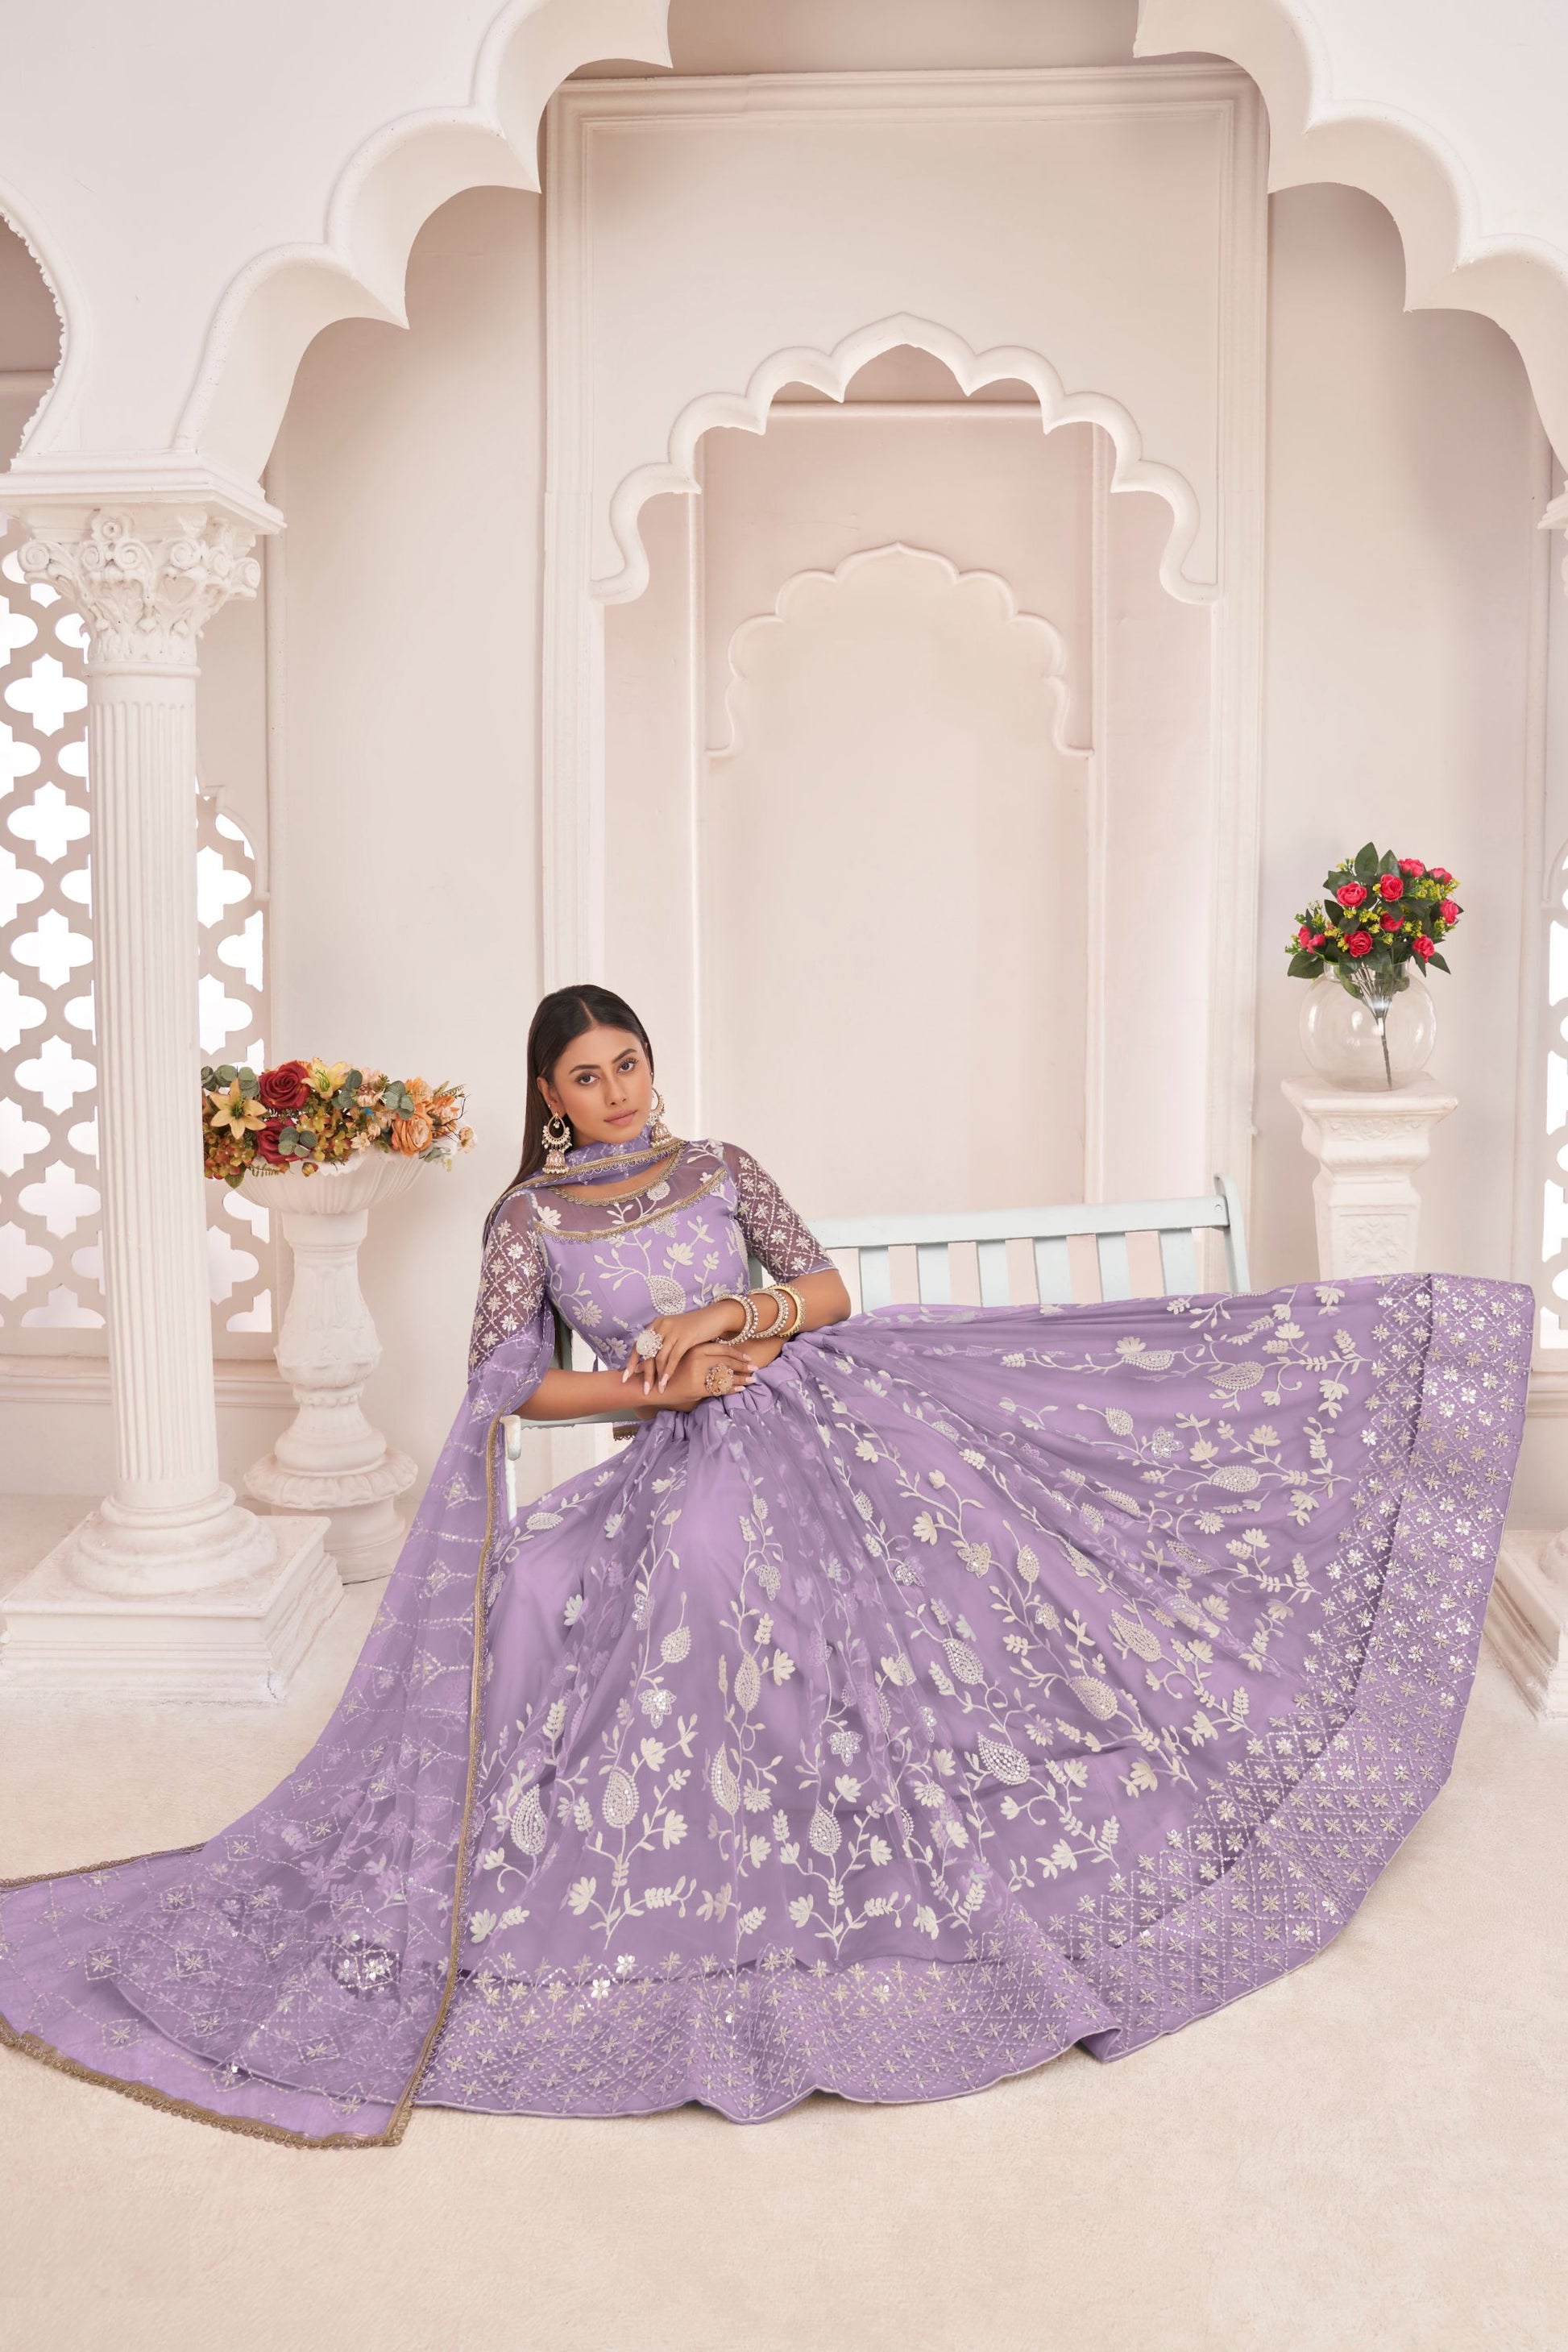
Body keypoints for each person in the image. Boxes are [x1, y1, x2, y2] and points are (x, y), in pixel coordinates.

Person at [0, 985, 1533, 2146]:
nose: (614, 1090)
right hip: (685, 1448)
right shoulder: (531, 1218)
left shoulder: (719, 1164)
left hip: (827, 1402)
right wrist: (659, 1388)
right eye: (584, 1076)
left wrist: (727, 1322)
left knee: (991, 1517)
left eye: (626, 1062)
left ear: (648, 1064)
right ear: (546, 1095)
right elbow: (508, 1385)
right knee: (676, 1568)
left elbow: (826, 1290)